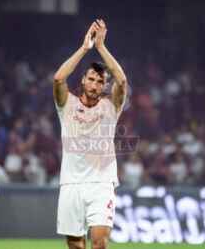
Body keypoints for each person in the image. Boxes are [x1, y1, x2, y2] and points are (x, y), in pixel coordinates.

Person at [53, 19, 127, 249]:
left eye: (100, 81)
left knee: (99, 242)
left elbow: (122, 80)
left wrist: (101, 47)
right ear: (83, 80)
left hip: (101, 184)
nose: (95, 85)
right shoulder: (67, 105)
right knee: (76, 246)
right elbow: (58, 78)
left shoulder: (111, 106)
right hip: (71, 184)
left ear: (105, 86)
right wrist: (84, 48)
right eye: (91, 79)